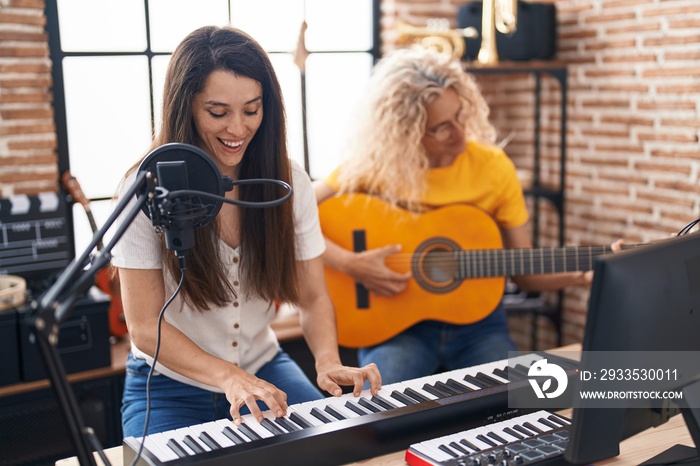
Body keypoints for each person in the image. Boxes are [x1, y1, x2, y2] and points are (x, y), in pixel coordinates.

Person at [113, 25, 381, 438]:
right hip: (168, 387)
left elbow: (311, 296)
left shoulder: (290, 181)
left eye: (251, 110)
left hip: (262, 370)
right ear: (185, 108)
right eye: (217, 113)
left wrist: (327, 360)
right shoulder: (144, 187)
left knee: (341, 446)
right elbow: (146, 326)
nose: (237, 129)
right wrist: (228, 377)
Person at [314, 47, 622, 384]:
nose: (460, 133)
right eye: (442, 127)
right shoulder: (376, 167)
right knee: (376, 412)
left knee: (519, 402)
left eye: (460, 116)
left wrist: (583, 275)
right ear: (407, 130)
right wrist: (349, 263)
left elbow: (525, 273)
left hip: (480, 328)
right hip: (396, 331)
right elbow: (291, 218)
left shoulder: (494, 168)